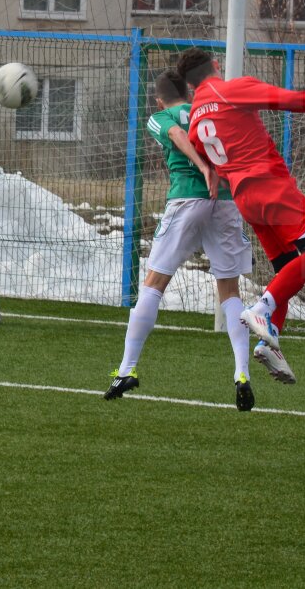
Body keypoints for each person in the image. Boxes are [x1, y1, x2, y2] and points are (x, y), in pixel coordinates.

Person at [180, 48, 305, 384]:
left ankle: (269, 343)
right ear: (216, 66)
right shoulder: (230, 88)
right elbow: (289, 99)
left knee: (285, 270)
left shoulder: (194, 120)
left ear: (190, 87)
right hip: (270, 186)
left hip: (245, 199)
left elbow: (211, 158)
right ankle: (261, 309)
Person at [103, 68, 257, 411]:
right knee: (229, 292)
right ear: (189, 93)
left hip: (188, 199)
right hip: (226, 201)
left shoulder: (160, 116)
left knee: (153, 284)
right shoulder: (208, 111)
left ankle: (127, 369)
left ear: (159, 99)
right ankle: (242, 373)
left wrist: (201, 165)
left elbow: (174, 133)